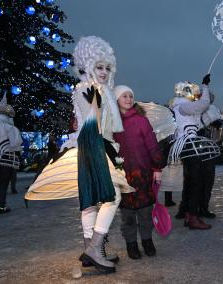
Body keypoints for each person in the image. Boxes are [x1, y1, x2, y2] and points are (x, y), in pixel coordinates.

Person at [73, 36, 133, 273]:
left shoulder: (102, 91)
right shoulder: (86, 89)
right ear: (88, 66)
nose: (105, 72)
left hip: (100, 145)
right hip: (93, 147)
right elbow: (91, 121)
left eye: (108, 68)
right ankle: (95, 247)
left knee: (92, 201)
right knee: (111, 196)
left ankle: (91, 249)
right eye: (99, 67)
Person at [113, 85, 164, 260]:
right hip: (123, 176)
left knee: (145, 212)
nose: (128, 98)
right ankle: (131, 244)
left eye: (130, 95)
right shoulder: (111, 123)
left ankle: (147, 241)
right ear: (116, 100)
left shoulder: (142, 120)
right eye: (124, 96)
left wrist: (157, 167)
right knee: (127, 215)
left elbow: (152, 145)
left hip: (142, 174)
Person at [169, 75, 220, 230]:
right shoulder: (182, 105)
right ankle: (193, 217)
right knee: (195, 183)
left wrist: (211, 119)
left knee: (193, 183)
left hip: (191, 147)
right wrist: (205, 86)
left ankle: (190, 215)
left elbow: (197, 123)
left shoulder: (184, 108)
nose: (195, 94)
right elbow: (203, 104)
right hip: (190, 147)